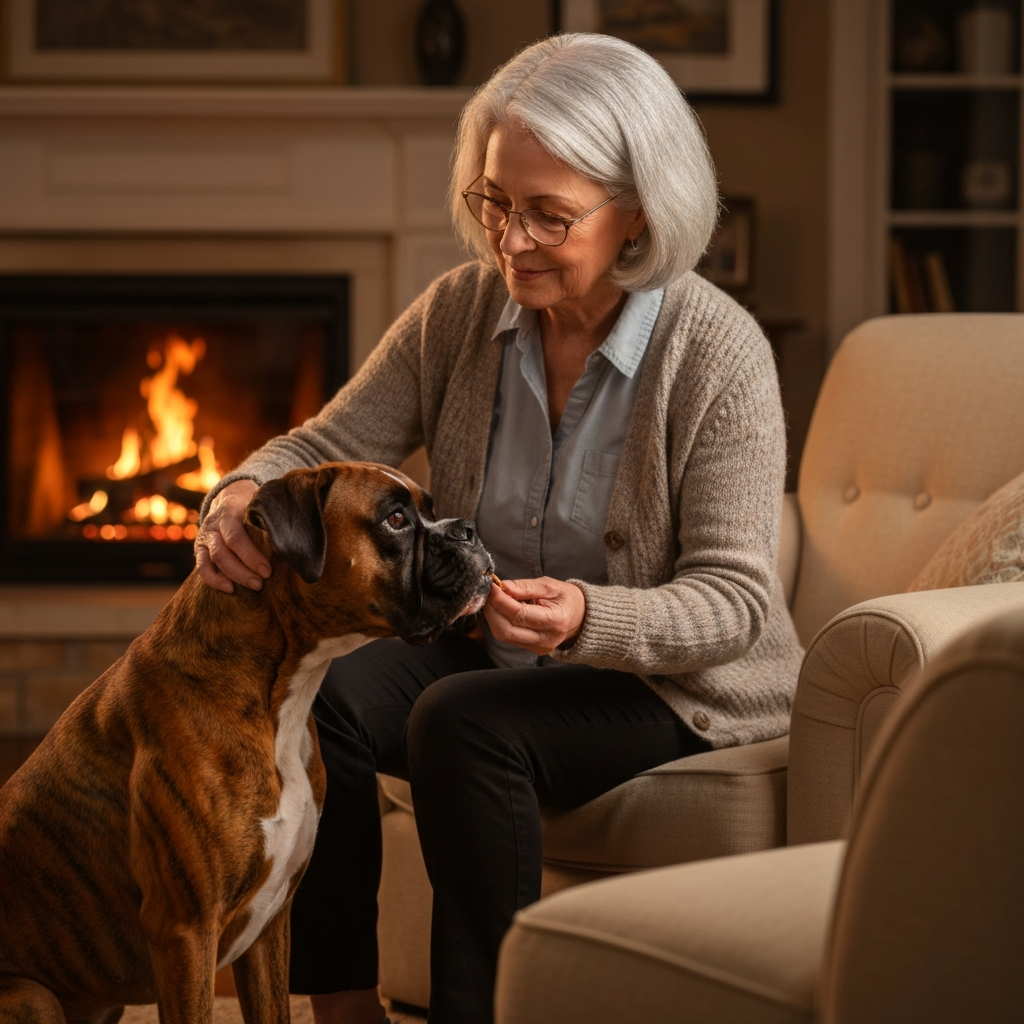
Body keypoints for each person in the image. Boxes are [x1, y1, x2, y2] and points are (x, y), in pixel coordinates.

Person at [196, 32, 803, 1024]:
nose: (506, 240)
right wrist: (231, 499)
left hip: (669, 683)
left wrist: (583, 614)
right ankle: (342, 1007)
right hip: (492, 648)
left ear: (639, 212)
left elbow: (735, 602)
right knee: (329, 690)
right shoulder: (460, 312)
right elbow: (322, 443)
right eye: (493, 203)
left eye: (546, 215)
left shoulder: (715, 350)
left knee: (462, 722)